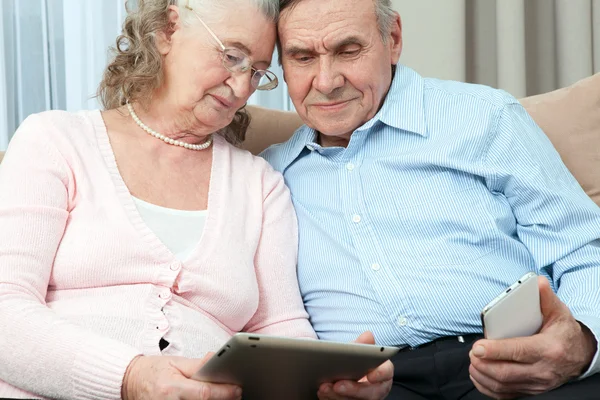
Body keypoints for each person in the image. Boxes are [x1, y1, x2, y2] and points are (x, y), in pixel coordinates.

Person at [0, 1, 393, 399]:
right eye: (232, 56)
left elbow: (280, 328)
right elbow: (5, 310)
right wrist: (130, 379)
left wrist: (328, 380)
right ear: (167, 31)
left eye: (257, 73)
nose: (242, 88)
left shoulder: (259, 184)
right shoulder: (55, 142)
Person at [260, 0, 600, 398]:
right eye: (302, 58)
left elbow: (582, 251)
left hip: (513, 364)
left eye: (348, 51)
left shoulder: (484, 117)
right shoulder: (269, 177)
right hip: (374, 385)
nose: (326, 80)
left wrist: (583, 341)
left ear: (393, 39)